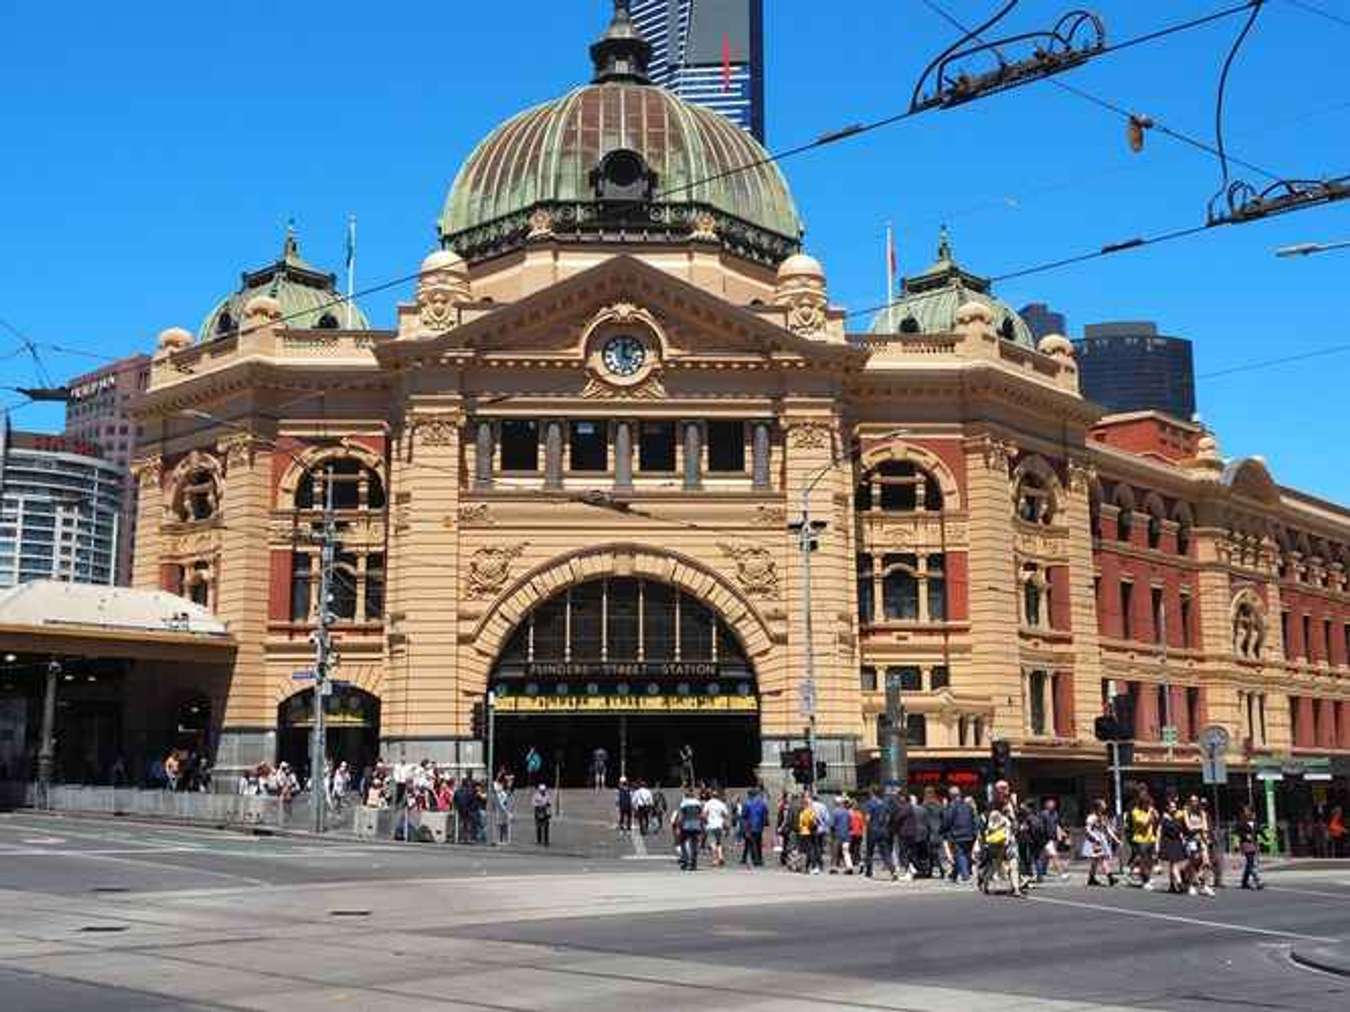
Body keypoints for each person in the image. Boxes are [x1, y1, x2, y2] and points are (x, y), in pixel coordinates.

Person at [980, 780, 1025, 897]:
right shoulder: (992, 805)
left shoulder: (1011, 803)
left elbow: (1016, 821)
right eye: (1002, 788)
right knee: (996, 864)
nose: (1005, 790)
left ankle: (1016, 888)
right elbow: (987, 825)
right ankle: (985, 881)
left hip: (1009, 839)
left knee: (1014, 863)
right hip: (998, 840)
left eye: (1006, 787)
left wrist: (1014, 816)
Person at [942, 786, 977, 884]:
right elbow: (973, 819)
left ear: (950, 796)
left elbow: (947, 820)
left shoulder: (952, 806)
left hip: (957, 834)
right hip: (969, 834)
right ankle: (953, 875)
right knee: (965, 854)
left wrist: (944, 831)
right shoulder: (967, 806)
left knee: (960, 854)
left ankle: (965, 876)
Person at [1183, 795, 1215, 897]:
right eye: (1192, 801)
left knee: (1206, 862)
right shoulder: (1186, 812)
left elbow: (1205, 828)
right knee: (1194, 862)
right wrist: (1199, 828)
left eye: (1196, 800)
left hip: (1201, 840)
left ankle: (1204, 885)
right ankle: (1191, 885)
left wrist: (1205, 837)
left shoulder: (1202, 813)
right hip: (1191, 840)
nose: (1194, 802)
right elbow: (1189, 827)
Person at [1128, 788, 1160, 890]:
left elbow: (1156, 821)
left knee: (1150, 861)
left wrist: (1155, 815)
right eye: (1148, 804)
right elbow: (1145, 824)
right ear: (1143, 804)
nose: (1149, 806)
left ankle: (1148, 877)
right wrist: (1150, 814)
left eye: (1150, 804)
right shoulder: (1135, 812)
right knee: (1143, 861)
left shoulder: (1149, 811)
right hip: (1141, 840)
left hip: (1150, 839)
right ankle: (1144, 881)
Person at [864, 787, 896, 880]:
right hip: (883, 830)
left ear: (872, 793)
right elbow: (888, 817)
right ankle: (892, 869)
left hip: (872, 830)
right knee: (885, 852)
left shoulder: (870, 803)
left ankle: (869, 871)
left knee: (870, 851)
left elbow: (868, 818)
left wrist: (867, 826)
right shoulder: (884, 804)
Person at [1084, 799, 1118, 887]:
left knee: (1095, 861)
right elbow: (1087, 829)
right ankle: (1110, 877)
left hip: (1101, 839)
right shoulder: (1091, 817)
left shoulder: (1103, 817)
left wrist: (1115, 839)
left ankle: (1091, 878)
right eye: (1103, 804)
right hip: (1094, 841)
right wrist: (1095, 837)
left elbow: (1108, 829)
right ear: (1098, 807)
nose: (1105, 806)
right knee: (1102, 858)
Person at [1159, 799, 1190, 894]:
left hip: (1177, 842)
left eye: (1175, 807)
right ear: (1167, 808)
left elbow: (1181, 830)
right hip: (1169, 843)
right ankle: (1179, 883)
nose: (1174, 809)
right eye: (1172, 807)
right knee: (1174, 864)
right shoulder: (1165, 819)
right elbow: (1162, 831)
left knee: (1175, 864)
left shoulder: (1177, 817)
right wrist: (1158, 845)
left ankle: (1172, 884)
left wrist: (1183, 839)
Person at [1036, 797, 1070, 882]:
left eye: (1053, 804)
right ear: (1046, 805)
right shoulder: (1043, 814)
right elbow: (1040, 826)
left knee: (1043, 857)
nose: (1052, 805)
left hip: (1052, 838)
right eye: (1050, 804)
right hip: (1045, 838)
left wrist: (1061, 833)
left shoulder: (1055, 814)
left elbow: (1057, 825)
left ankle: (1041, 873)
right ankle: (1062, 874)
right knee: (1054, 855)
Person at [673, 785, 705, 871]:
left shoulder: (684, 803)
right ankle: (694, 863)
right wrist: (702, 825)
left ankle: (685, 859)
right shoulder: (698, 803)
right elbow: (702, 815)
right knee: (694, 844)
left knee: (682, 842)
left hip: (686, 825)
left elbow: (680, 816)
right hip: (696, 825)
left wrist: (678, 827)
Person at [740, 786, 769, 867]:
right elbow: (765, 813)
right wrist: (765, 823)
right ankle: (759, 859)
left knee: (753, 844)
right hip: (759, 826)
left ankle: (755, 859)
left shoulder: (747, 803)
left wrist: (744, 828)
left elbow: (744, 816)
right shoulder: (762, 803)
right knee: (758, 843)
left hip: (750, 826)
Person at [1237, 804, 1264, 890]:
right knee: (1250, 862)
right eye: (1245, 811)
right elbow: (1238, 832)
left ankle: (1244, 882)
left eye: (1248, 811)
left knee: (1250, 863)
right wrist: (1245, 836)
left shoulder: (1255, 822)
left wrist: (1267, 839)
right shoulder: (1242, 822)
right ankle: (1257, 881)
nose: (1246, 812)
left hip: (1254, 843)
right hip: (1246, 844)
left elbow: (1260, 831)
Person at [921, 787, 946, 880]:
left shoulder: (924, 805)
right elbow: (943, 817)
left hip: (929, 832)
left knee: (932, 853)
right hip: (938, 831)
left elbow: (923, 819)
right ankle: (931, 870)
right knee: (933, 852)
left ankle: (940, 869)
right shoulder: (939, 805)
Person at [703, 789, 730, 867]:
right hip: (719, 825)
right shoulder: (721, 804)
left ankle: (715, 860)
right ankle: (721, 856)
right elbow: (726, 815)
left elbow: (704, 814)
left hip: (711, 825)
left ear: (711, 795)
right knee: (719, 842)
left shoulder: (708, 803)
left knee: (712, 843)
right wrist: (726, 825)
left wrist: (706, 821)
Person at [830, 797, 854, 874]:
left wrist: (831, 833)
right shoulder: (847, 813)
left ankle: (834, 867)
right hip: (846, 835)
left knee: (835, 852)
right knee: (846, 851)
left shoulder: (835, 812)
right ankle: (849, 866)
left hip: (837, 834)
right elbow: (850, 825)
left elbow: (832, 824)